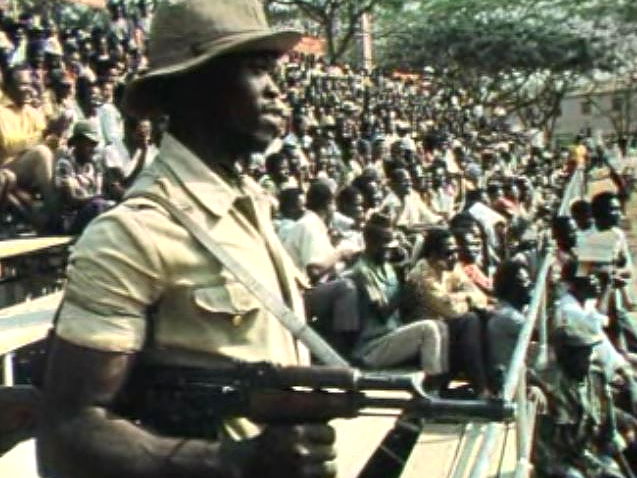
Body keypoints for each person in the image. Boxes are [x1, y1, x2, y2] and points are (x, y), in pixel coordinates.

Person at [37, 2, 337, 478]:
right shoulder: (134, 233)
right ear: (192, 86)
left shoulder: (250, 204)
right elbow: (68, 433)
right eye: (257, 69)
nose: (278, 88)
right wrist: (236, 462)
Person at [350, 213, 448, 377]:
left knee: (440, 325)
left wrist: (413, 295)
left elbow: (401, 308)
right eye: (386, 247)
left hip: (391, 335)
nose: (391, 251)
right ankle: (431, 388)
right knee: (428, 329)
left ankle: (440, 381)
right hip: (371, 346)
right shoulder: (362, 271)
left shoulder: (387, 267)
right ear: (372, 244)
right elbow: (382, 312)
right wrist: (402, 287)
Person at [534, 324, 637, 478]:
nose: (588, 359)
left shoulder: (595, 377)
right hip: (557, 461)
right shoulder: (546, 383)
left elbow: (606, 422)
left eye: (589, 352)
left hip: (587, 453)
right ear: (566, 356)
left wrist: (617, 439)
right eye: (582, 354)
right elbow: (542, 450)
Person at [404, 228, 491, 398]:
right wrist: (466, 298)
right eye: (448, 253)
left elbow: (481, 298)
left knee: (484, 317)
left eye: (456, 252)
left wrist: (462, 297)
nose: (455, 257)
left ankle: (486, 381)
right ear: (433, 255)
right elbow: (451, 311)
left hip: (444, 332)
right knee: (470, 320)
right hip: (424, 341)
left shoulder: (451, 268)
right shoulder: (422, 276)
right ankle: (481, 387)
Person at [487, 260, 532, 386]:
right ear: (511, 287)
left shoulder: (508, 311)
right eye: (524, 282)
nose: (530, 286)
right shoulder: (508, 316)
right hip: (511, 383)